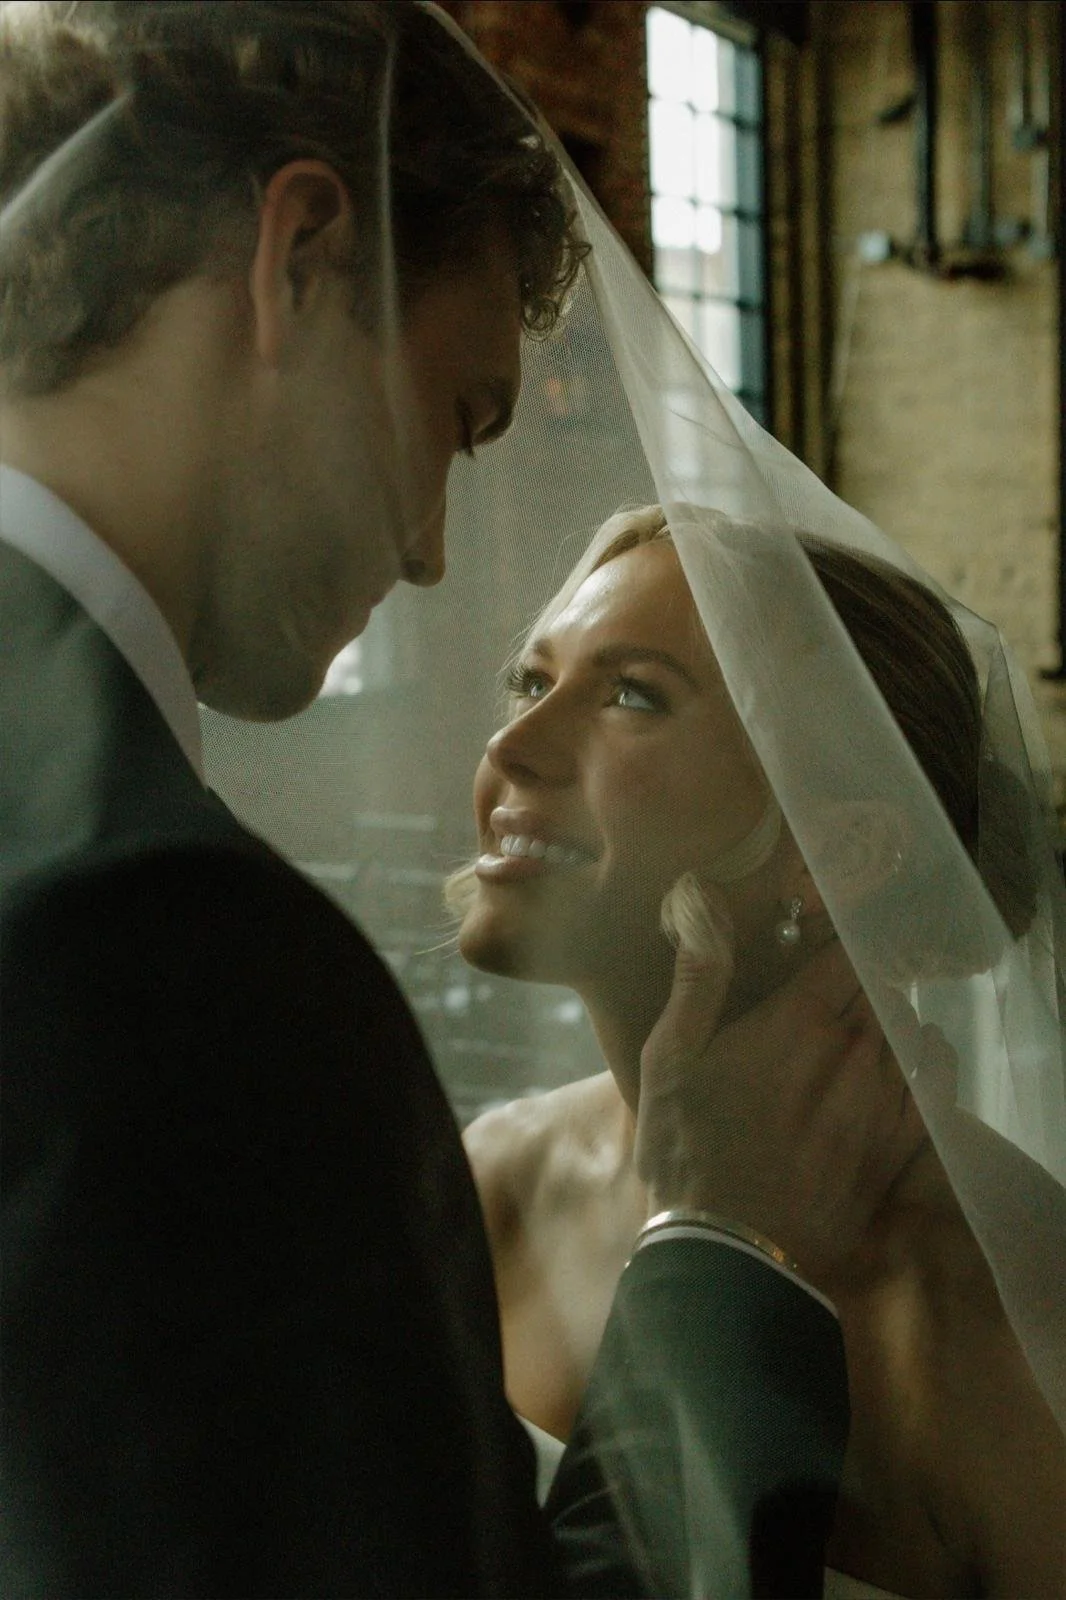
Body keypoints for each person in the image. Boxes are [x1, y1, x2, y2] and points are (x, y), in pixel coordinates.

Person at [0, 6, 927, 1596]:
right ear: (298, 255)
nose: (431, 547)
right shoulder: (160, 934)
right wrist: (719, 1247)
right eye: (458, 414)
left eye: (633, 690)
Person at [457, 505, 1066, 1599]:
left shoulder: (1009, 1313)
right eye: (530, 681)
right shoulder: (492, 1182)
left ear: (838, 847)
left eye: (631, 694)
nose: (511, 749)